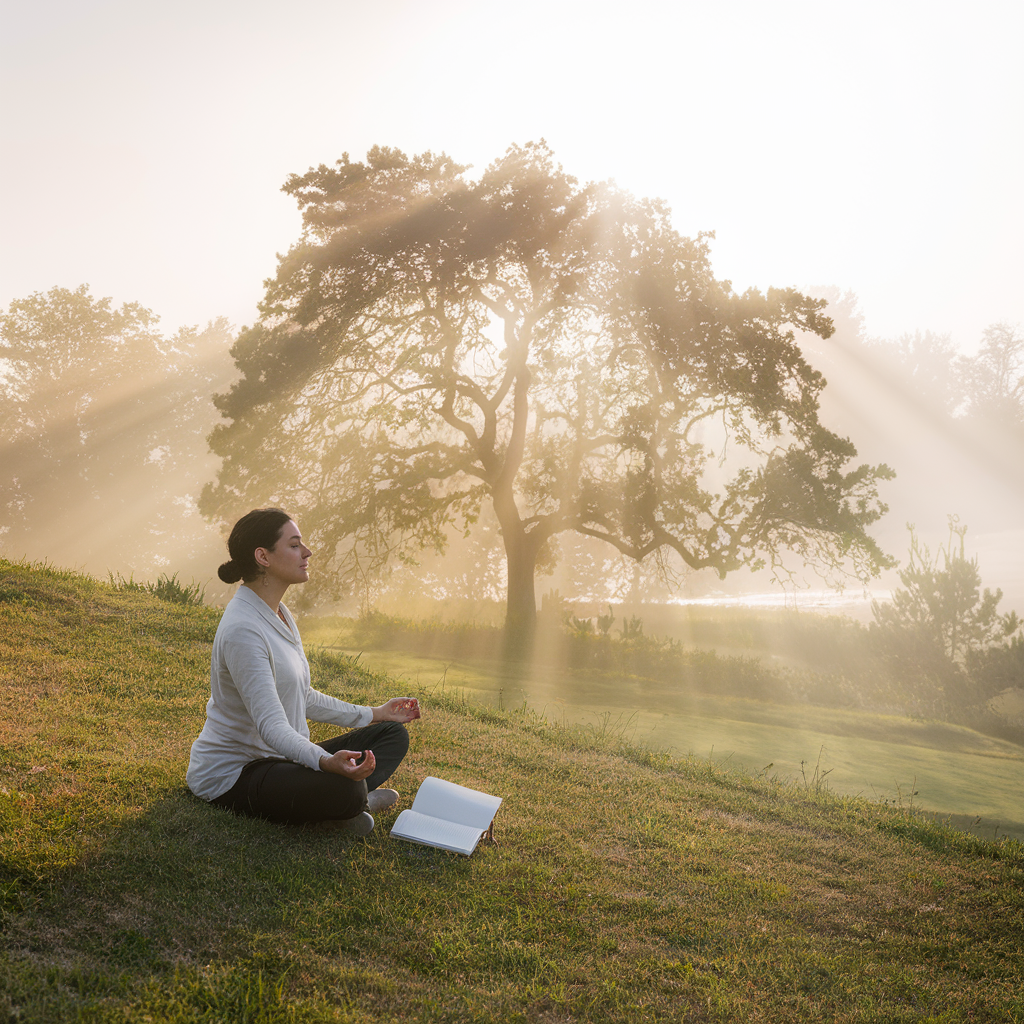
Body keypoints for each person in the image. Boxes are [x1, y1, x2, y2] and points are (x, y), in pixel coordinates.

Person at [186, 507, 420, 835]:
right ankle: (352, 801)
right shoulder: (243, 629)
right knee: (346, 787)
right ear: (263, 557)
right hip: (238, 773)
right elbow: (271, 726)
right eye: (295, 545)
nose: (307, 552)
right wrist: (325, 762)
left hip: (282, 759)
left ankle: (351, 803)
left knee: (390, 735)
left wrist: (375, 713)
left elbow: (302, 696)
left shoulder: (279, 613)